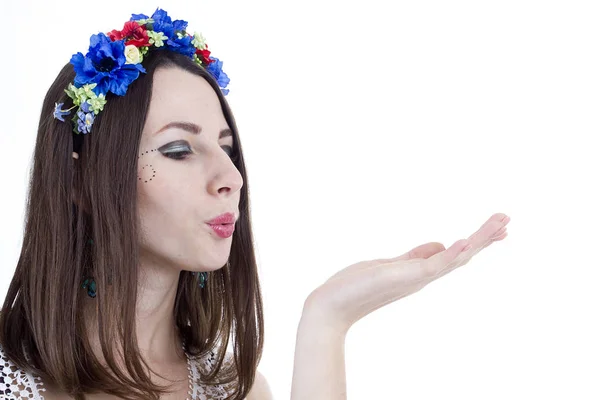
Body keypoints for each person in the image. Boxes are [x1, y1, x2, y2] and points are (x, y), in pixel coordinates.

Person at [0, 7, 510, 400]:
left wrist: (327, 320)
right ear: (81, 182)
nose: (230, 177)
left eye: (227, 148)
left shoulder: (233, 389)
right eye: (180, 149)